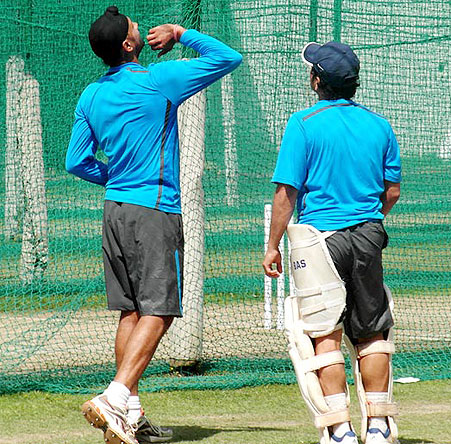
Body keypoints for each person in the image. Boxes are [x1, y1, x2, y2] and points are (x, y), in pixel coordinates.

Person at [66, 6, 242, 444]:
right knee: (160, 311)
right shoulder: (158, 81)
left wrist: (116, 177)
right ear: (129, 45)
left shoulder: (90, 95)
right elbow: (228, 57)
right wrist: (182, 33)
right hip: (154, 210)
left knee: (131, 311)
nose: (141, 28)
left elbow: (75, 161)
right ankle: (115, 395)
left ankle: (130, 414)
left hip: (115, 211)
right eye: (134, 28)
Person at [263, 41, 401, 444]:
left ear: (317, 80)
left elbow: (286, 193)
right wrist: (369, 222)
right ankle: (378, 427)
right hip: (368, 235)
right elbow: (390, 192)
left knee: (323, 335)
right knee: (372, 332)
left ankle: (339, 430)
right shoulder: (380, 125)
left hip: (319, 240)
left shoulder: (302, 124)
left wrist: (272, 245)